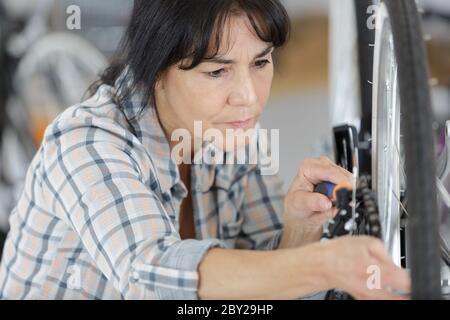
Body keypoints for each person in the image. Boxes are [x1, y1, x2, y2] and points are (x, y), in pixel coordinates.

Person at [0, 0, 410, 299]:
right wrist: (325, 264)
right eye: (217, 71)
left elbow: (265, 285)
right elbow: (152, 277)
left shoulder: (228, 134)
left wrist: (300, 228)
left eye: (261, 62)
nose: (248, 97)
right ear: (154, 70)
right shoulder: (85, 144)